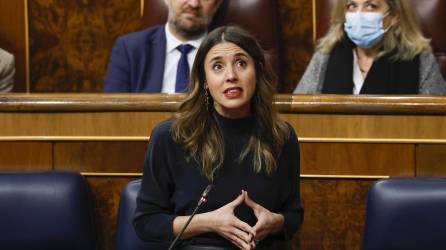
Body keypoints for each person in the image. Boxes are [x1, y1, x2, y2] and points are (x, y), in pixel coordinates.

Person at [133, 26, 304, 250]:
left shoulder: (282, 136)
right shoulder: (171, 136)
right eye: (217, 67)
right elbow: (146, 222)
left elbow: (293, 214)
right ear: (204, 80)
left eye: (241, 63)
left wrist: (276, 222)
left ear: (258, 71)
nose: (231, 76)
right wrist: (209, 223)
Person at [294, 0, 446, 95]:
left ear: (394, 16)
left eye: (371, 6)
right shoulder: (326, 54)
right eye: (352, 6)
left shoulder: (419, 58)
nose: (359, 15)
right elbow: (302, 115)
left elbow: (437, 121)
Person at [103, 0, 222, 93]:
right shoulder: (129, 48)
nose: (194, 3)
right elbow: (114, 115)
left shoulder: (227, 52)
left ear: (217, 4)